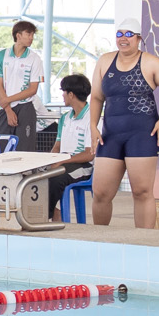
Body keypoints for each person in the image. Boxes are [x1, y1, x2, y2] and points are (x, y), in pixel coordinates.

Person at [91, 22, 159, 227]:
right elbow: (96, 97)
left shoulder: (150, 63)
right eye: (119, 34)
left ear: (139, 38)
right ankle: (99, 237)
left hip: (142, 134)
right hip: (110, 134)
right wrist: (93, 125)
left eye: (129, 34)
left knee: (142, 191)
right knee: (101, 192)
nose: (123, 38)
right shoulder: (105, 61)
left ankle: (143, 240)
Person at [44, 74, 96, 220]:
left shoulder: (92, 118)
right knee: (35, 175)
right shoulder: (64, 118)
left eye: (64, 92)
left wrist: (63, 161)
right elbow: (57, 146)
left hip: (83, 166)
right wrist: (50, 160)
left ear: (71, 94)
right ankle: (52, 215)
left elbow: (89, 154)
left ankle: (43, 217)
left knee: (56, 179)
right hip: (64, 162)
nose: (62, 95)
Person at [0, 19, 45, 149]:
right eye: (28, 34)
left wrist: (6, 100)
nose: (31, 38)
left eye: (33, 35)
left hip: (26, 107)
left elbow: (33, 89)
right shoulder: (2, 55)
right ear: (18, 35)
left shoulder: (35, 58)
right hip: (6, 108)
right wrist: (8, 109)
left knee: (25, 149)